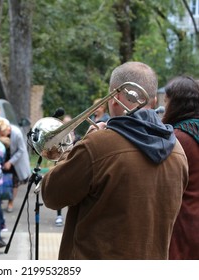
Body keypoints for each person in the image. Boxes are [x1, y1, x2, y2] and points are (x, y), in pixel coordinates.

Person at [41, 61, 189, 260]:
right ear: (153, 101)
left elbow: (52, 194)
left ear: (115, 97)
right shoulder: (178, 152)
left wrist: (78, 147)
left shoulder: (98, 144)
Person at [162, 76, 199, 260]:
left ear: (176, 104)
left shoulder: (178, 139)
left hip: (184, 227)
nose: (163, 108)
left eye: (166, 102)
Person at [0, 120, 31, 212]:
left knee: (14, 182)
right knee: (1, 180)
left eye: (2, 134)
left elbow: (21, 150)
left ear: (7, 130)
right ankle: (0, 200)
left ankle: (11, 202)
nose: (2, 136)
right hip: (4, 157)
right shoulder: (0, 131)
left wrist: (10, 162)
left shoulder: (17, 133)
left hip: (16, 160)